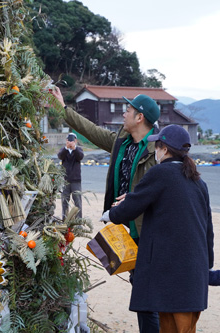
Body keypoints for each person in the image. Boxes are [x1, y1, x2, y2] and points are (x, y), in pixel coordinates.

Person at [50, 86, 161, 330]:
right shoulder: (121, 143)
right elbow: (92, 131)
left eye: (128, 110)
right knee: (140, 288)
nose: (124, 113)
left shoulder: (158, 151)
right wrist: (63, 109)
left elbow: (164, 191)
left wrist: (133, 198)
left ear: (140, 117)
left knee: (147, 296)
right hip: (125, 229)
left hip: (149, 232)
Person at [102, 124, 214, 333]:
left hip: (170, 272)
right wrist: (207, 264)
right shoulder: (198, 181)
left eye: (157, 146)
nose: (156, 151)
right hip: (193, 272)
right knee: (185, 328)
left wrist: (111, 214)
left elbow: (134, 203)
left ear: (164, 149)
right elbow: (208, 228)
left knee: (170, 327)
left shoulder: (161, 173)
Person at [58, 132, 84, 219]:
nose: (70, 142)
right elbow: (60, 156)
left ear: (75, 141)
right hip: (65, 180)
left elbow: (80, 157)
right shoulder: (63, 150)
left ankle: (78, 220)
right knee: (64, 201)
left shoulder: (78, 150)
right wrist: (66, 148)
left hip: (76, 180)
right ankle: (65, 219)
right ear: (66, 141)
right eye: (69, 140)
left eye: (72, 140)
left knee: (78, 202)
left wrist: (74, 148)